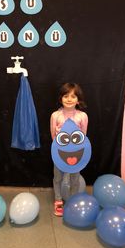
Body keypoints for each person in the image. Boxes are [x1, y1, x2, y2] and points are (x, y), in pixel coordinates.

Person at [50, 83, 88, 216]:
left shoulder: (82, 116)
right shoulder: (55, 115)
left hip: (76, 154)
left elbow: (83, 136)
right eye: (66, 96)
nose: (69, 99)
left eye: (73, 96)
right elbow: (54, 137)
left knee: (75, 178)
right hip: (59, 154)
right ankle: (58, 200)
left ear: (78, 99)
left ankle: (72, 201)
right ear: (61, 98)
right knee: (58, 177)